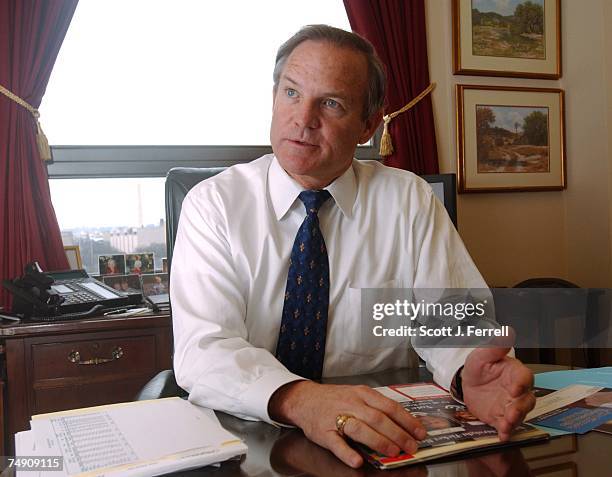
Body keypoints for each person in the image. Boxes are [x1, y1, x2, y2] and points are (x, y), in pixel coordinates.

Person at [171, 25, 535, 468]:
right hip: (247, 441)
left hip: (372, 442)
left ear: (368, 125)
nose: (303, 119)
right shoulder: (214, 204)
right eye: (291, 93)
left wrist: (467, 373)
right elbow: (204, 348)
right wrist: (303, 400)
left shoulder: (408, 200)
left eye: (331, 103)